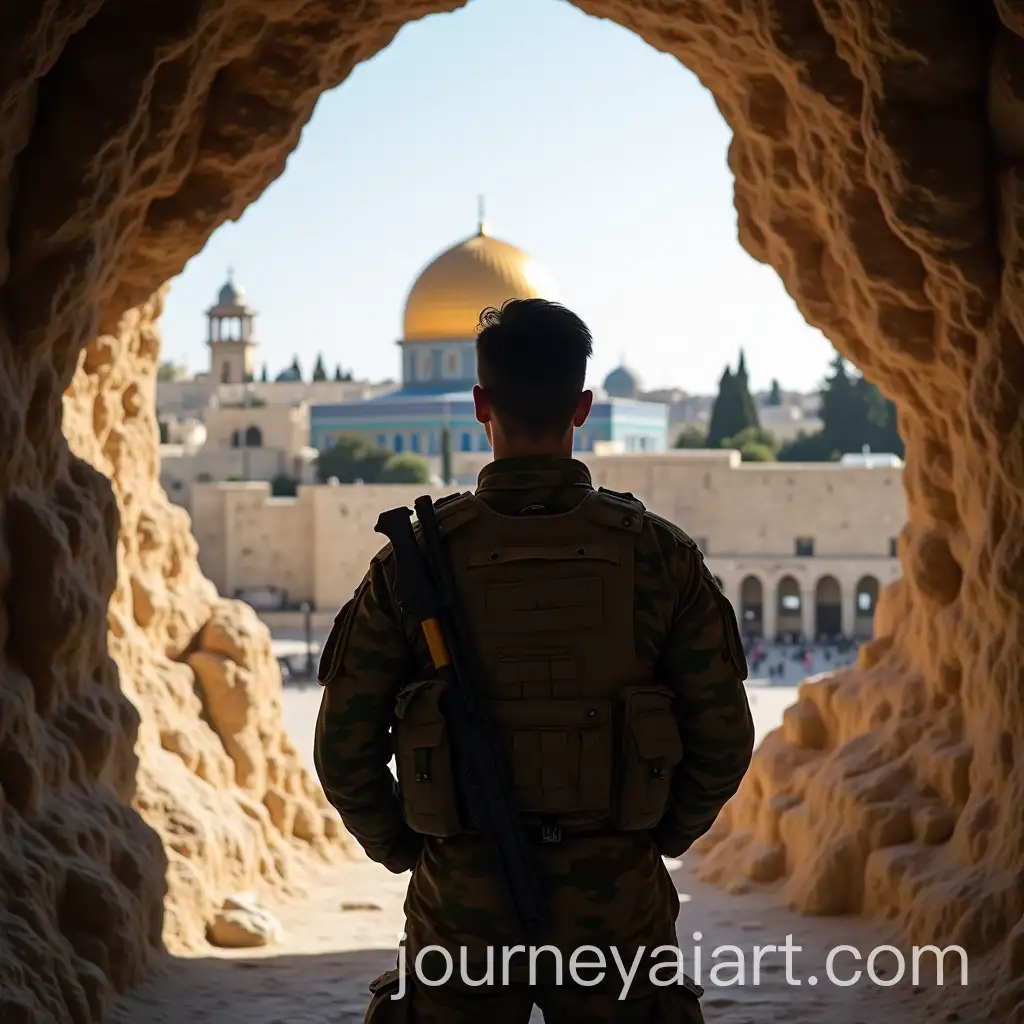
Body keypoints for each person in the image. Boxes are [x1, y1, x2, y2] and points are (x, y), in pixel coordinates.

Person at [314, 299, 755, 1024]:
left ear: (479, 406)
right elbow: (724, 738)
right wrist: (649, 840)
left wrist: (418, 851)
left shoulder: (415, 563)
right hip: (616, 899)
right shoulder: (658, 556)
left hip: (462, 900)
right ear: (582, 407)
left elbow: (343, 751)